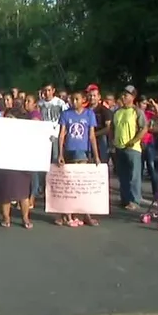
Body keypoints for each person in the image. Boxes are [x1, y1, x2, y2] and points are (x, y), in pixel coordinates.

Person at [56, 90, 101, 227]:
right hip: (69, 150)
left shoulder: (89, 114)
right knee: (68, 184)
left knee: (81, 184)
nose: (74, 102)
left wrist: (96, 155)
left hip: (82, 152)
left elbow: (92, 136)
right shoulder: (66, 114)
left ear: (83, 100)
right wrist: (60, 153)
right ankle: (67, 214)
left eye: (77, 99)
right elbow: (62, 134)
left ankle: (85, 213)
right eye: (72, 99)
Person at [111, 85, 148, 210]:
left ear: (133, 97)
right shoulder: (117, 112)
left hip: (133, 148)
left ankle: (134, 200)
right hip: (119, 147)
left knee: (134, 175)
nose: (123, 97)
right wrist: (112, 140)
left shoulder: (137, 111)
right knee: (123, 175)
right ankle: (125, 198)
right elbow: (113, 127)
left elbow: (144, 128)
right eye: (123, 94)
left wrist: (134, 140)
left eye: (126, 95)